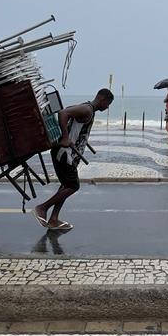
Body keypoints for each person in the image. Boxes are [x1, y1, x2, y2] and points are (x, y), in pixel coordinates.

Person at [33, 88, 114, 231]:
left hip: (70, 155)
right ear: (102, 100)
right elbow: (63, 113)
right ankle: (42, 208)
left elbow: (71, 115)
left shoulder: (88, 109)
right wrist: (66, 137)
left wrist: (78, 136)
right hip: (64, 153)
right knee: (73, 186)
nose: (107, 108)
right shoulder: (87, 110)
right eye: (108, 104)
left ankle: (53, 219)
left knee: (66, 185)